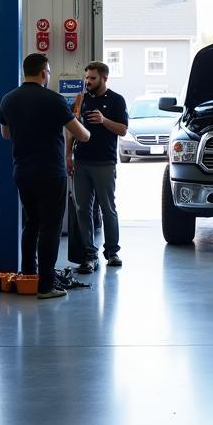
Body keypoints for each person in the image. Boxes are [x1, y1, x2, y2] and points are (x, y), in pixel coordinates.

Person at [0, 53, 91, 299]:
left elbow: (6, 134)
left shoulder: (8, 100)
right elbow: (81, 135)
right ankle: (46, 286)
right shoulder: (54, 100)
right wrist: (80, 124)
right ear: (43, 73)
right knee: (50, 227)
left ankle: (29, 277)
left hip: (23, 172)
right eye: (48, 72)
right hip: (51, 173)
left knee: (32, 223)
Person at [66, 60, 129, 273]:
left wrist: (103, 120)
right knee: (82, 209)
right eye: (86, 77)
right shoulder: (80, 99)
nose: (88, 81)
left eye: (92, 78)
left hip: (105, 162)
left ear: (104, 78)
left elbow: (122, 130)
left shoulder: (117, 101)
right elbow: (72, 127)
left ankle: (112, 252)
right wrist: (68, 154)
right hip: (82, 161)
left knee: (107, 208)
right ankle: (89, 255)